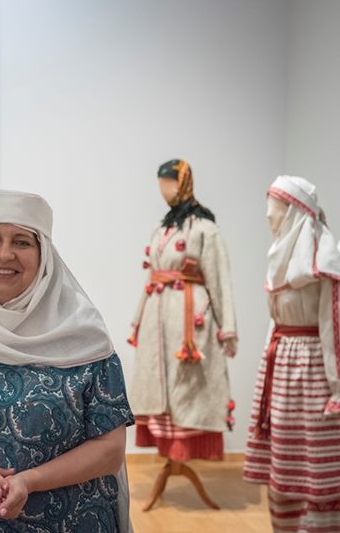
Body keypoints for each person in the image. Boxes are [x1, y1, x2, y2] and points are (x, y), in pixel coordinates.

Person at [0, 190, 134, 532]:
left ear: (44, 255)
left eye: (22, 242)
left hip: (74, 520)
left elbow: (110, 450)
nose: (5, 254)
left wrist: (30, 481)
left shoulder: (84, 336)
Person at [127, 160, 237, 494]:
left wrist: (228, 328)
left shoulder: (204, 228)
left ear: (183, 182)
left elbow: (219, 279)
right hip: (158, 316)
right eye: (160, 184)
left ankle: (183, 454)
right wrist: (138, 321)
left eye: (168, 183)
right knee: (159, 387)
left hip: (188, 318)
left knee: (185, 386)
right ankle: (168, 454)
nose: (163, 190)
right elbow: (151, 276)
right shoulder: (163, 228)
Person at [244, 176, 340, 532]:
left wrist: (337, 386)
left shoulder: (324, 259)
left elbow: (333, 325)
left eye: (274, 210)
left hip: (313, 370)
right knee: (285, 457)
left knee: (315, 456)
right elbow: (276, 322)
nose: (269, 217)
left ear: (294, 212)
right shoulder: (281, 257)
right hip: (282, 366)